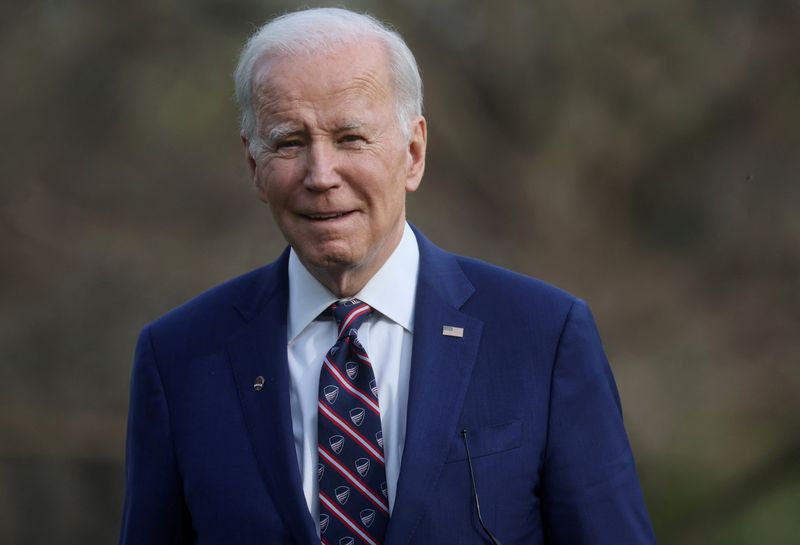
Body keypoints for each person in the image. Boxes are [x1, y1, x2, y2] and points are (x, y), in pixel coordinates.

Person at [118, 7, 657, 545]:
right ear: (253, 165)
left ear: (414, 153)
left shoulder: (543, 336)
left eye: (351, 138)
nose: (321, 175)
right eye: (289, 142)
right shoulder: (181, 359)